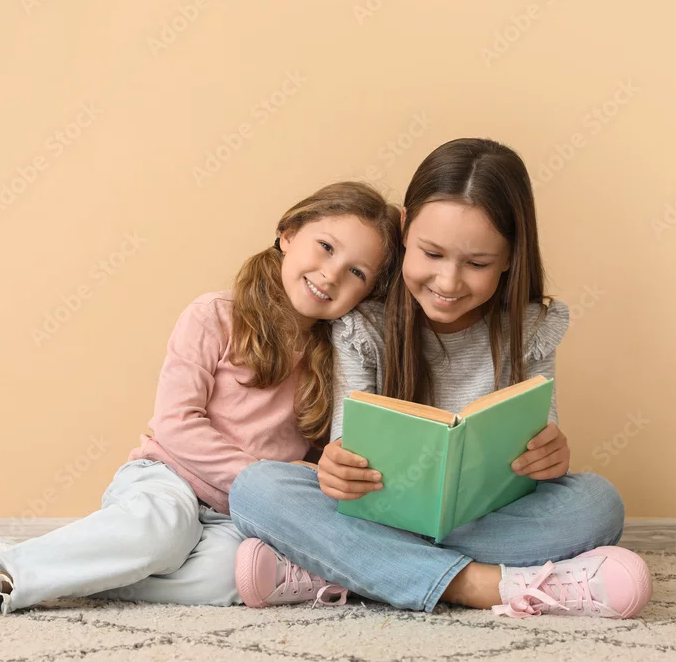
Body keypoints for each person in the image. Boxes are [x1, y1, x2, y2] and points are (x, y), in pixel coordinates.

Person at [0, 181, 402, 621]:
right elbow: (176, 424)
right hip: (166, 480)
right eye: (325, 247)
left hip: (237, 515)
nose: (331, 274)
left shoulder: (338, 357)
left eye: (356, 272)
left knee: (231, 574)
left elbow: (323, 455)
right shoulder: (215, 315)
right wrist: (261, 478)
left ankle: (38, 560)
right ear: (288, 234)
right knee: (165, 532)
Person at [229, 138, 653, 619]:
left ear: (510, 257)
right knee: (257, 488)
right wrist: (336, 466)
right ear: (404, 228)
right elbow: (346, 445)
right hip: (377, 510)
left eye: (477, 264)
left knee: (598, 504)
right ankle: (481, 585)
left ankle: (347, 566)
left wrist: (550, 455)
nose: (448, 282)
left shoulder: (531, 328)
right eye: (432, 254)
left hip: (481, 518)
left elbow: (540, 442)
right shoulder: (362, 324)